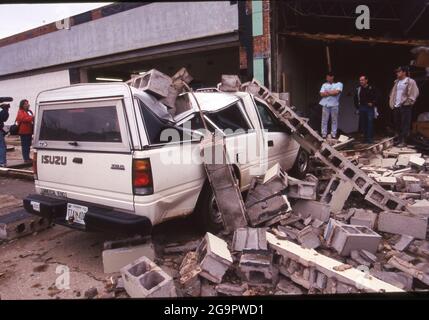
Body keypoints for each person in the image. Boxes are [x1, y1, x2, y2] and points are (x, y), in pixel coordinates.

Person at [389, 66, 420, 146]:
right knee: (397, 123)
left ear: (404, 72)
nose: (397, 73)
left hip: (405, 106)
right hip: (397, 106)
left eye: (399, 71)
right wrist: (392, 102)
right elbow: (393, 93)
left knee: (405, 124)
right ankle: (399, 140)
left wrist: (408, 102)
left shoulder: (410, 81)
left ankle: (404, 141)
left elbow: (415, 92)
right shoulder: (397, 82)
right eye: (397, 72)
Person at [353, 75, 378, 144]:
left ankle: (370, 138)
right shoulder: (358, 89)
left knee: (370, 123)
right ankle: (365, 138)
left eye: (362, 80)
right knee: (363, 123)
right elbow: (355, 99)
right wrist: (357, 107)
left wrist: (373, 103)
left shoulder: (371, 87)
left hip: (369, 108)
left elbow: (377, 96)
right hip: (362, 107)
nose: (361, 81)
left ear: (366, 80)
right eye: (360, 80)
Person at [319, 72, 343, 139]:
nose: (326, 78)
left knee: (334, 120)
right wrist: (331, 92)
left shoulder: (339, 84)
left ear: (332, 77)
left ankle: (333, 134)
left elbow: (336, 92)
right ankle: (323, 134)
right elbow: (321, 94)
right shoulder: (324, 84)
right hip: (325, 104)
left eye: (328, 77)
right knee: (324, 120)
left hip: (334, 104)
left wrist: (327, 92)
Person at [0, 102, 10, 167]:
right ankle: (2, 162)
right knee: (2, 146)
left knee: (2, 146)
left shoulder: (2, 112)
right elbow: (4, 120)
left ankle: (2, 161)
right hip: (0, 130)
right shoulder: (5, 112)